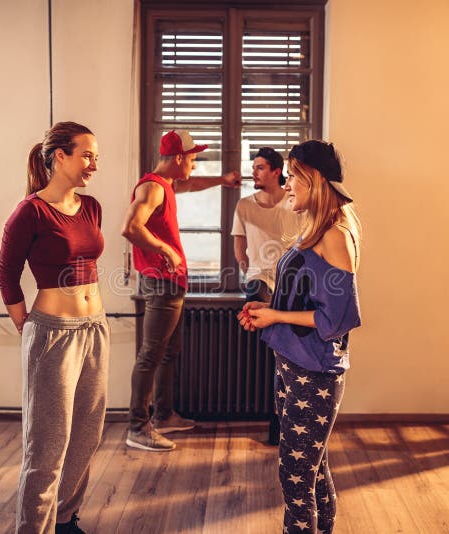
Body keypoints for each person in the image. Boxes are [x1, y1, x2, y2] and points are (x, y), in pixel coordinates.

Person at [238, 140, 362, 534]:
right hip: (294, 363)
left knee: (296, 476)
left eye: (293, 176)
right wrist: (268, 311)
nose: (286, 184)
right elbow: (304, 294)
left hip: (315, 373)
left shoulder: (335, 236)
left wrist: (274, 314)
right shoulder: (317, 228)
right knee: (312, 467)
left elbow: (336, 318)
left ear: (315, 179)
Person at [0, 122, 108, 534]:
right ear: (59, 156)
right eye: (86, 154)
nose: (94, 163)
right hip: (52, 333)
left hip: (94, 329)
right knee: (46, 447)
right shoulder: (30, 211)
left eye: (96, 156)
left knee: (87, 435)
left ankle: (64, 519)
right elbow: (7, 275)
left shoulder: (91, 206)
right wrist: (27, 326)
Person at [121, 130, 241, 452]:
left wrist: (223, 179)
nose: (195, 165)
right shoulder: (151, 188)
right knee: (151, 354)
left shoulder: (166, 185)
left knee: (168, 352)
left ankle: (163, 415)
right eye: (192, 159)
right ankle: (137, 427)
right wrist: (167, 251)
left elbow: (190, 184)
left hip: (169, 283)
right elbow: (130, 228)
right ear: (178, 158)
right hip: (162, 281)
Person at [232, 146, 301, 445]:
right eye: (254, 167)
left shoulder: (294, 201)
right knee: (269, 347)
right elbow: (239, 246)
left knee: (285, 351)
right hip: (258, 280)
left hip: (291, 280)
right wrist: (251, 270)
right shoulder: (244, 205)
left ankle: (282, 429)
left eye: (260, 167)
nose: (253, 172)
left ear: (276, 171)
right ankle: (271, 424)